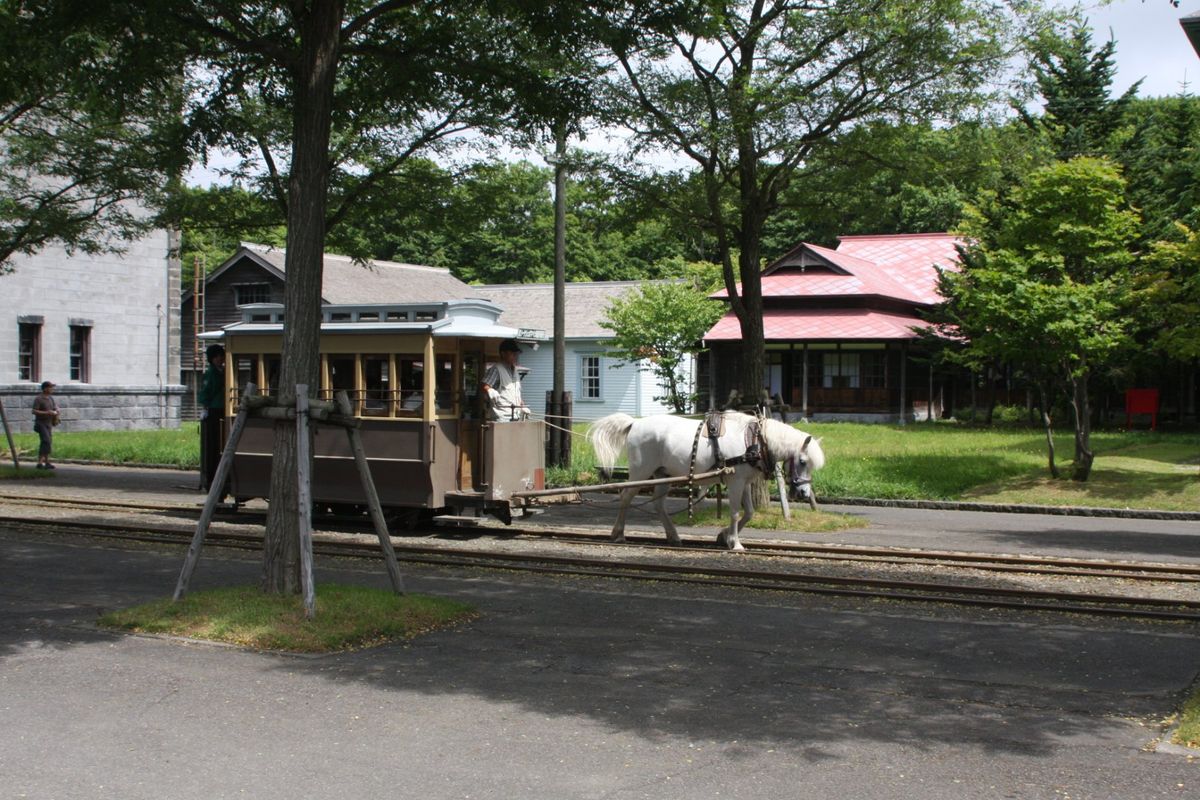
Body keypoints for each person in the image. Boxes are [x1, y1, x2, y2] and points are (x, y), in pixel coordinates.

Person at [198, 344, 226, 493]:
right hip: (214, 410)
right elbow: (206, 392)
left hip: (221, 408)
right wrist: (205, 407)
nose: (221, 359)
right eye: (218, 356)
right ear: (213, 358)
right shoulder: (211, 373)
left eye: (221, 356)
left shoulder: (222, 371)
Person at [482, 339, 530, 422]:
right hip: (501, 417)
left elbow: (515, 393)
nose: (515, 356)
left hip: (516, 415)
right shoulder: (496, 369)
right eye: (512, 353)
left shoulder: (515, 371)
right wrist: (489, 390)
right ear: (503, 354)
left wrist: (522, 405)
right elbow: (484, 385)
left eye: (516, 354)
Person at [31, 380, 59, 470]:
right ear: (45, 388)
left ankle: (46, 462)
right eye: (50, 387)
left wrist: (57, 411)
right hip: (41, 423)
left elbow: (54, 407)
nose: (52, 389)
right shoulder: (39, 398)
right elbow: (34, 411)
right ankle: (40, 462)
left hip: (49, 423)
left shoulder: (50, 398)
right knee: (46, 441)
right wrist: (47, 412)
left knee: (48, 442)